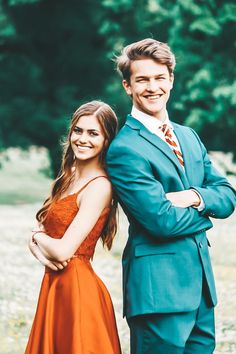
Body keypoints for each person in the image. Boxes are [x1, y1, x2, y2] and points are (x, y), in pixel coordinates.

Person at [106, 38, 236, 354]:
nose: (153, 87)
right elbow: (161, 221)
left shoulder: (188, 136)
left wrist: (193, 196)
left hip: (202, 292)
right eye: (142, 79)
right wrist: (207, 212)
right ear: (127, 86)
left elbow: (228, 196)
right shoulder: (125, 149)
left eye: (159, 78)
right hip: (157, 294)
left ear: (171, 80)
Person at [25, 100, 121, 354]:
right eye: (78, 130)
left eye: (93, 133)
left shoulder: (100, 186)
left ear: (107, 140)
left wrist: (35, 237)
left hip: (78, 292)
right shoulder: (69, 174)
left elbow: (63, 251)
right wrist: (35, 243)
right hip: (56, 286)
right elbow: (46, 227)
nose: (82, 139)